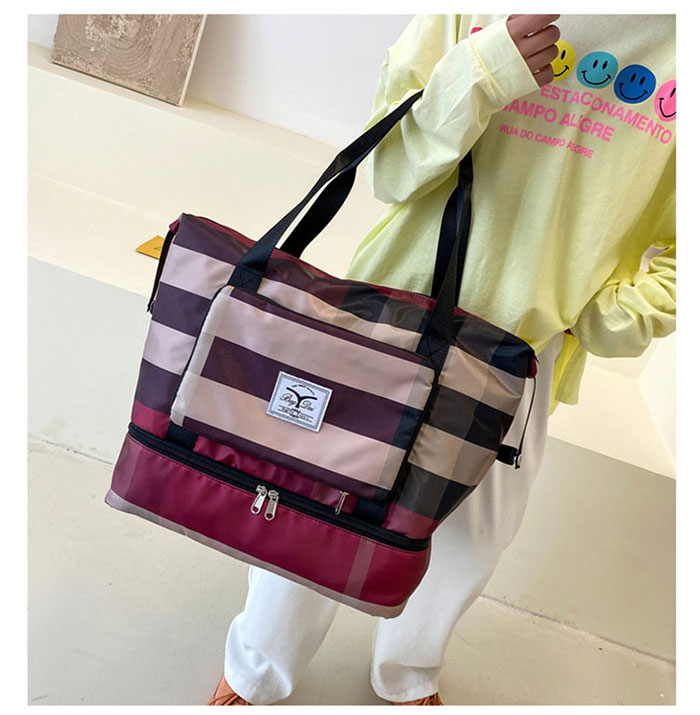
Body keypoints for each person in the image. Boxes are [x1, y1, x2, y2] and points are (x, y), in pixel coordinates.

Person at [207, 12, 676, 706]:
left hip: (524, 347)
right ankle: (257, 666)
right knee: (321, 493)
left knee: (469, 536)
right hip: (393, 302)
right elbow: (391, 167)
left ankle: (408, 671)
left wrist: (607, 316)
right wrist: (486, 68)